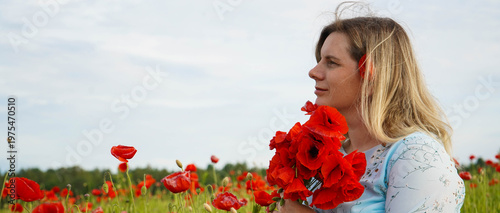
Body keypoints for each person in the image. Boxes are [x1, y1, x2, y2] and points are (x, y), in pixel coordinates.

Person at [275, 3, 465, 213]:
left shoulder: (417, 158)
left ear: (372, 78)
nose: (313, 71)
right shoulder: (327, 154)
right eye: (320, 59)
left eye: (331, 62)